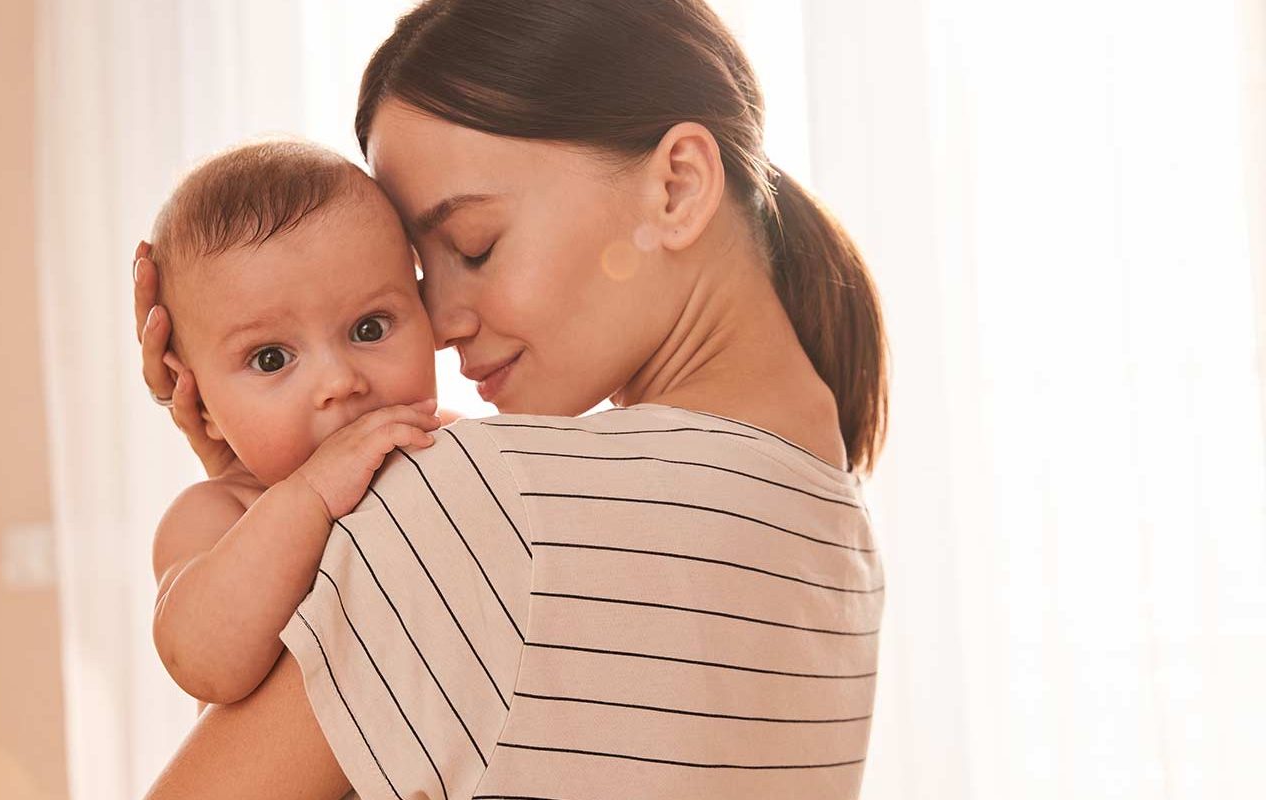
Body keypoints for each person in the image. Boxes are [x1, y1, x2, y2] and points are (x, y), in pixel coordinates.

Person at [135, 0, 889, 796]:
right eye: (422, 277)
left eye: (473, 247)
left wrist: (270, 503)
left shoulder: (481, 498)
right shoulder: (839, 532)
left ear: (677, 186)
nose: (439, 324)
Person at [143, 139, 453, 707]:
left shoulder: (453, 447)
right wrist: (309, 496)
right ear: (202, 403)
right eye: (271, 358)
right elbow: (206, 662)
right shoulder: (221, 514)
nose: (340, 381)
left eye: (370, 328)